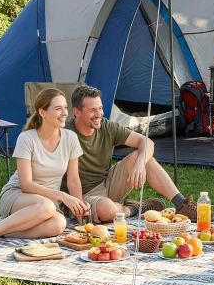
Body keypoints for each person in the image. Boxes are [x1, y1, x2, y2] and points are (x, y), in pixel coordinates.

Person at [0, 88, 89, 250]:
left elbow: (74, 180)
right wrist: (63, 196)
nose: (64, 113)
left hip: (46, 202)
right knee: (46, 206)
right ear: (42, 112)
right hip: (18, 195)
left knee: (58, 224)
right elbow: (26, 184)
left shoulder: (70, 138)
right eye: (58, 108)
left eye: (65, 108)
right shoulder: (27, 139)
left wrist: (81, 213)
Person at [61, 85, 199, 223]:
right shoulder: (64, 132)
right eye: (92, 110)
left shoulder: (106, 126)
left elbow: (147, 142)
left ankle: (181, 204)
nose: (99, 114)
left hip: (107, 184)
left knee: (144, 157)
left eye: (100, 108)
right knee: (108, 209)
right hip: (80, 196)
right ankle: (134, 209)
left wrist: (140, 163)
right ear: (77, 112)